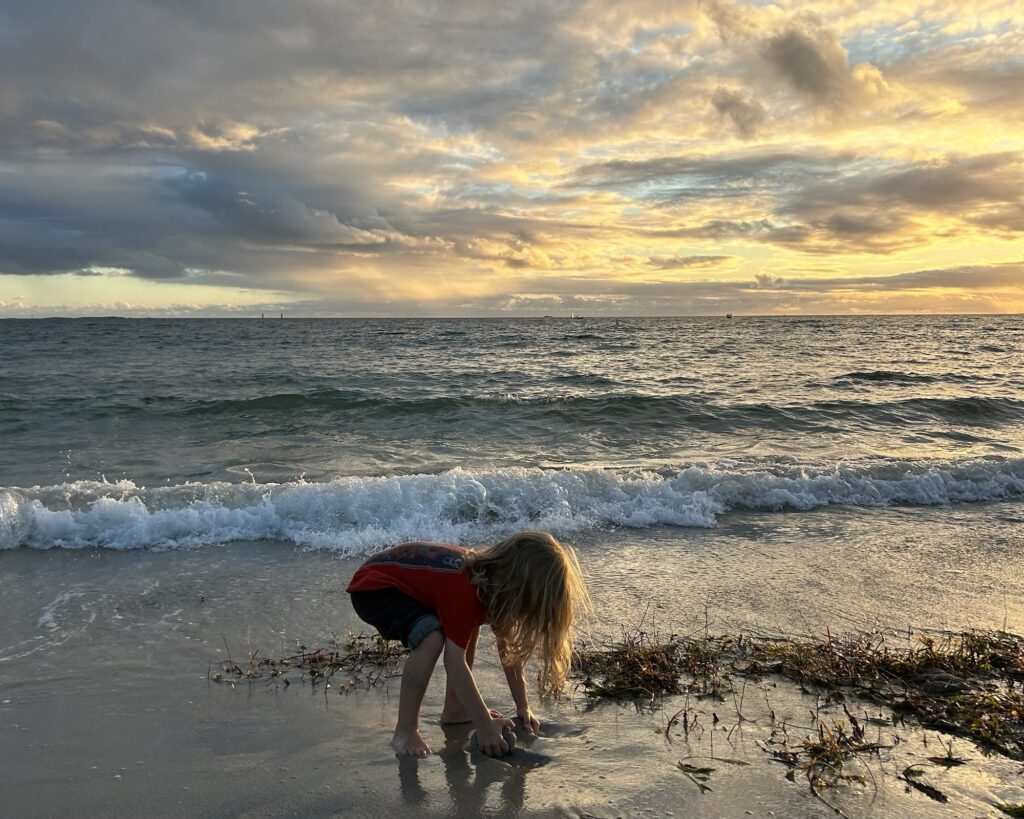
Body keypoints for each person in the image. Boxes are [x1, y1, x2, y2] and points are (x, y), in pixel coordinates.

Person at [346, 531, 591, 758]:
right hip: (375, 587)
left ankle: (455, 710)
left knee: (464, 630)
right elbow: (454, 663)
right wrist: (484, 725)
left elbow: (508, 651)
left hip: (400, 584)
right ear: (515, 586)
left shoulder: (489, 586)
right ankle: (405, 731)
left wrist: (523, 707)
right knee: (432, 638)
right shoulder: (466, 589)